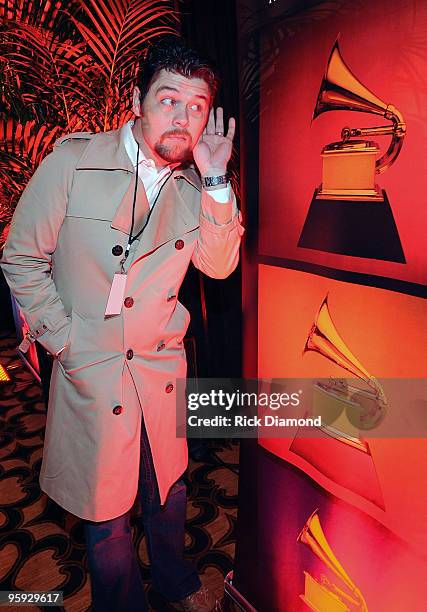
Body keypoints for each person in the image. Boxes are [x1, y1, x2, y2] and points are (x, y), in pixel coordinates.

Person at [1, 37, 244, 611]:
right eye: (168, 99)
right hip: (91, 369)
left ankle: (176, 579)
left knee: (171, 489)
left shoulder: (198, 186)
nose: (182, 117)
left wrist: (215, 180)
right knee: (105, 512)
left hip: (160, 369)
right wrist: (67, 343)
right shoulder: (73, 161)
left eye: (197, 105)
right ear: (136, 100)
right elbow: (20, 257)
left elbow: (220, 263)